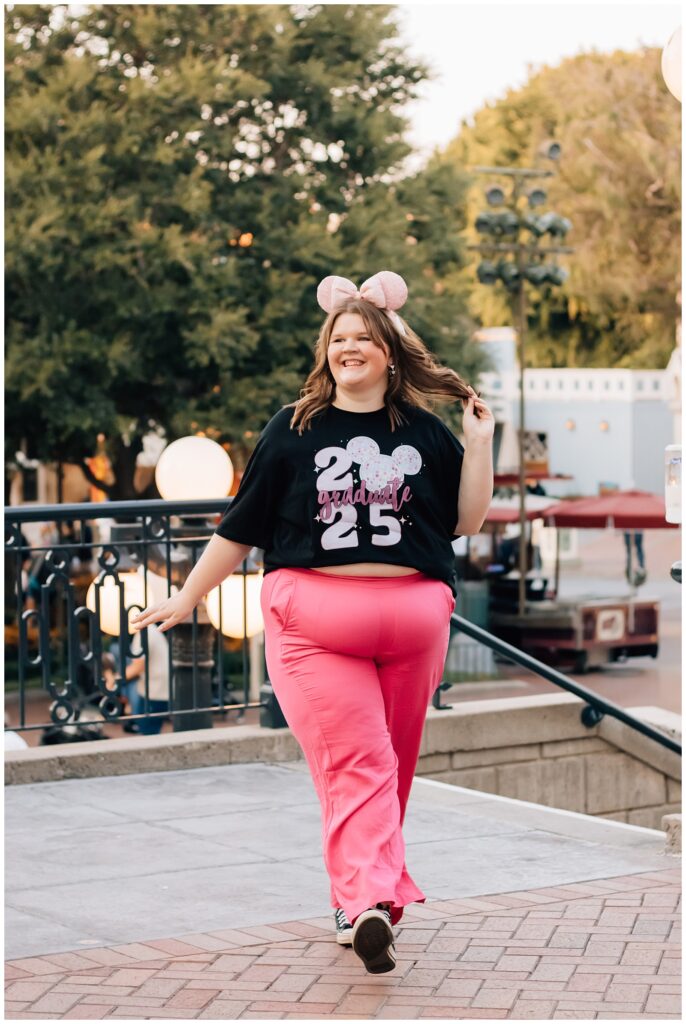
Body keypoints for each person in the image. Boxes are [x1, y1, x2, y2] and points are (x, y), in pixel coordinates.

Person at [132, 271, 494, 974]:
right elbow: (239, 528)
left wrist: (479, 445)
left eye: (362, 338)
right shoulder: (294, 428)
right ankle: (366, 905)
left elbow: (466, 522)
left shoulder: (424, 429)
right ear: (326, 351)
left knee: (393, 767)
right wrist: (188, 597)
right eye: (338, 339)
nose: (348, 348)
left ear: (390, 352)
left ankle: (364, 900)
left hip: (414, 618)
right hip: (318, 625)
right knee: (361, 763)